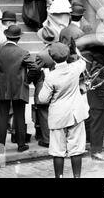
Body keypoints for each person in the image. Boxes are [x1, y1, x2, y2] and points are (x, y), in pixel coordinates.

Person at [0, 25, 37, 153]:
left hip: (0, 89)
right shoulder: (23, 53)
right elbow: (34, 68)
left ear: (6, 37)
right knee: (20, 117)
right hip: (19, 89)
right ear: (18, 38)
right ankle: (21, 145)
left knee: (1, 118)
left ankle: (0, 147)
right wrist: (27, 81)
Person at [38, 43, 89, 178]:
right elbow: (82, 61)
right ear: (67, 56)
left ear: (52, 58)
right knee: (76, 149)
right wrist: (75, 51)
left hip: (58, 116)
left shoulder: (50, 76)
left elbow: (42, 98)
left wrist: (45, 78)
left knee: (58, 150)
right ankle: (77, 176)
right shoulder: (75, 68)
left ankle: (59, 176)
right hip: (75, 114)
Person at [33, 26, 60, 148]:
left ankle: (47, 139)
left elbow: (35, 71)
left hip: (45, 85)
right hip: (60, 84)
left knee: (44, 114)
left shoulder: (41, 54)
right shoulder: (61, 50)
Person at [83, 51, 104, 161]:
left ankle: (90, 144)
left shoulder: (91, 60)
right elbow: (92, 80)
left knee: (92, 121)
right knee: (98, 125)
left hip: (96, 98)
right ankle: (96, 151)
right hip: (98, 98)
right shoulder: (98, 64)